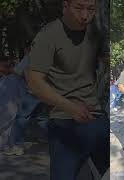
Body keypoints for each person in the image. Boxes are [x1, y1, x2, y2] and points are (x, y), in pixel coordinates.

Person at [25, 0, 108, 179]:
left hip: (97, 117)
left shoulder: (94, 33)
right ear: (66, 5)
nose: (85, 15)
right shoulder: (48, 35)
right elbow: (34, 82)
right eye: (79, 8)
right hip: (64, 122)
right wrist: (70, 107)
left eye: (91, 9)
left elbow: (103, 63)